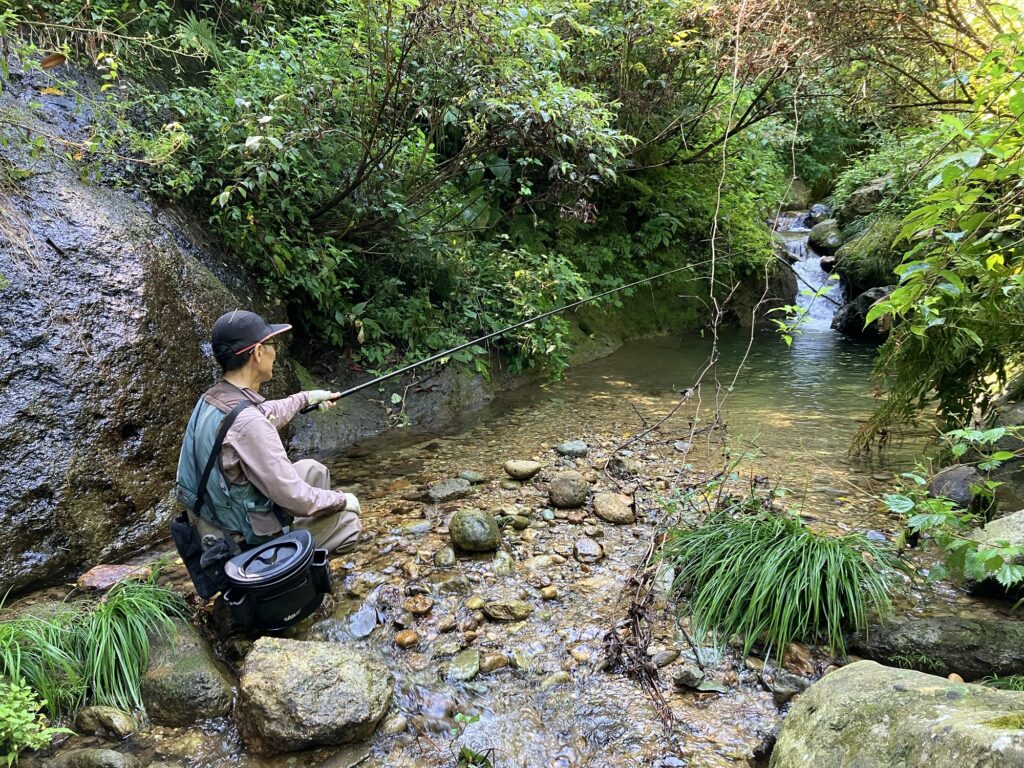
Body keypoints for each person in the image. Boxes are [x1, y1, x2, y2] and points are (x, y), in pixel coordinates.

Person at [175, 309, 362, 556]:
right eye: (272, 344)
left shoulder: (213, 398)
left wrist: (305, 398)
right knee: (348, 523)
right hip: (238, 545)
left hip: (210, 526)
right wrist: (343, 500)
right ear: (258, 352)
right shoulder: (248, 423)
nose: (275, 351)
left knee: (312, 471)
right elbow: (294, 496)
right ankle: (293, 577)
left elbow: (264, 412)